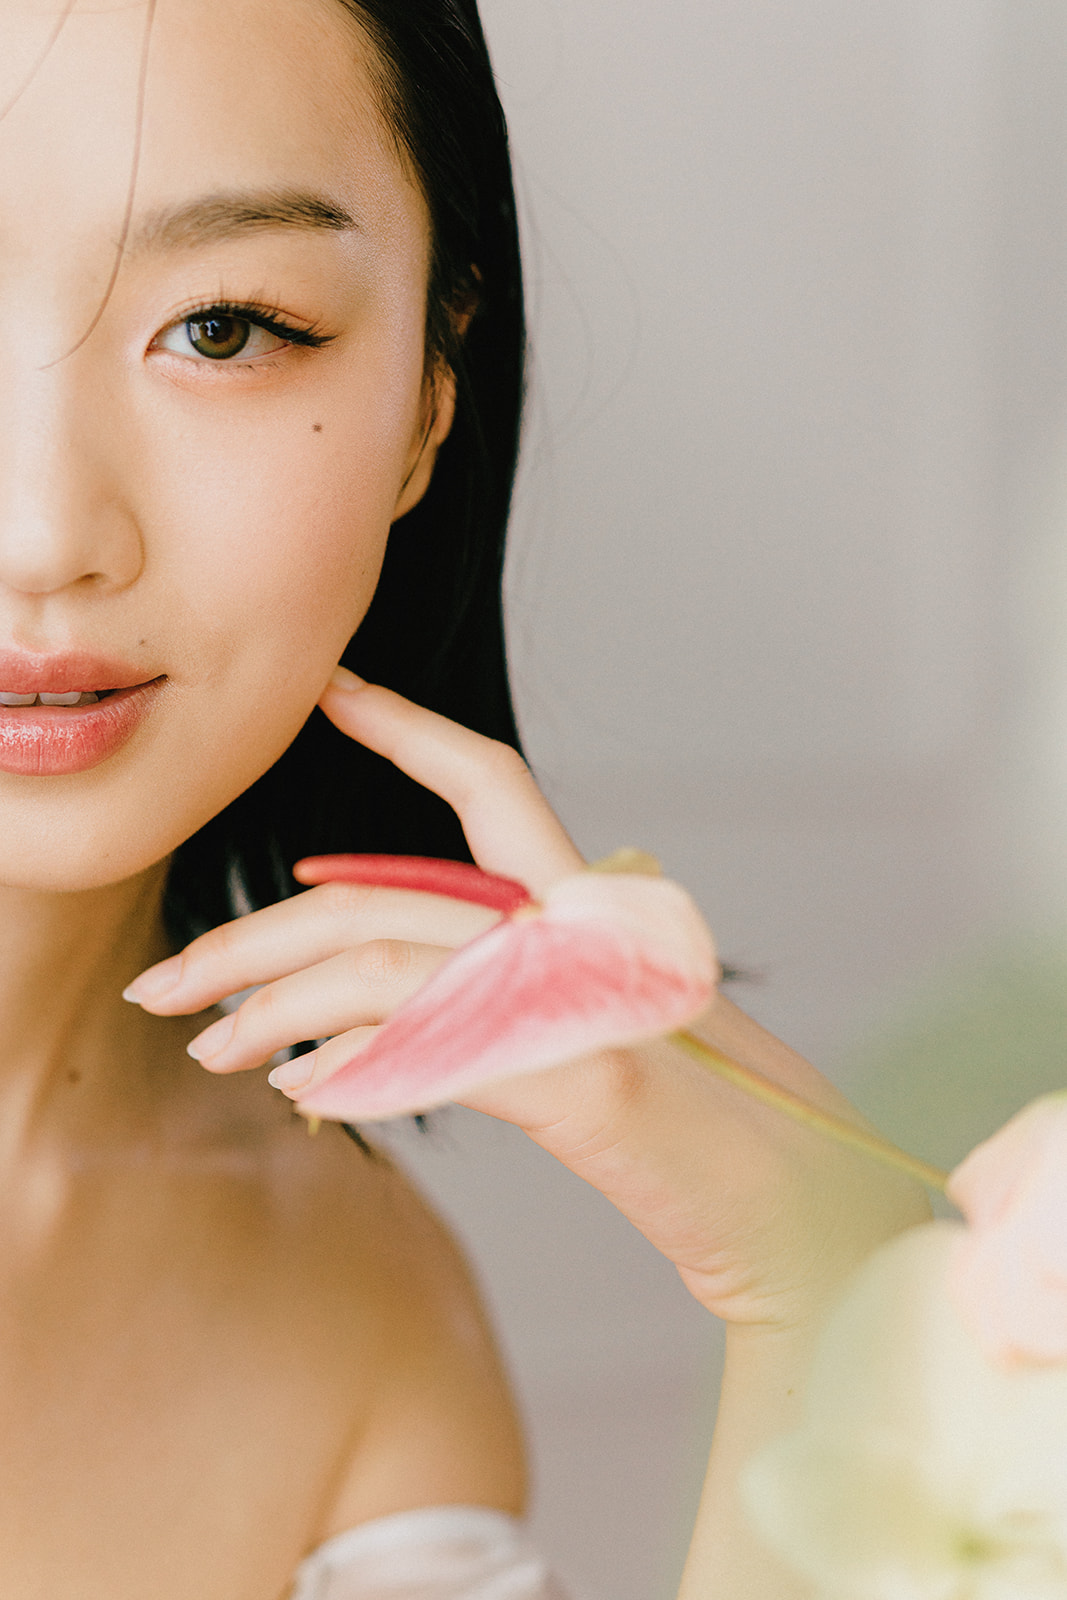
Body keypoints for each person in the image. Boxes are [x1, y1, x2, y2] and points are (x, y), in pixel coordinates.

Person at [0, 0, 929, 1595]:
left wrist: (830, 1290)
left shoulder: (355, 1321)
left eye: (223, 325)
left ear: (432, 393)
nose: (41, 532)